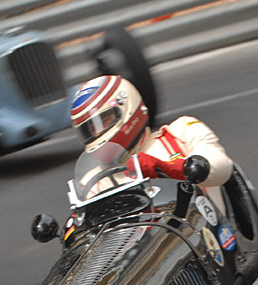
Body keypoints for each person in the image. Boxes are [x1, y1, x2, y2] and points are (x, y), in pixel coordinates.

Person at [70, 75, 233, 205]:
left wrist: (170, 169)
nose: (96, 132)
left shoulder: (181, 131)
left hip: (207, 237)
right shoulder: (92, 183)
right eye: (90, 129)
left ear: (127, 106)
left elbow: (222, 167)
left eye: (103, 120)